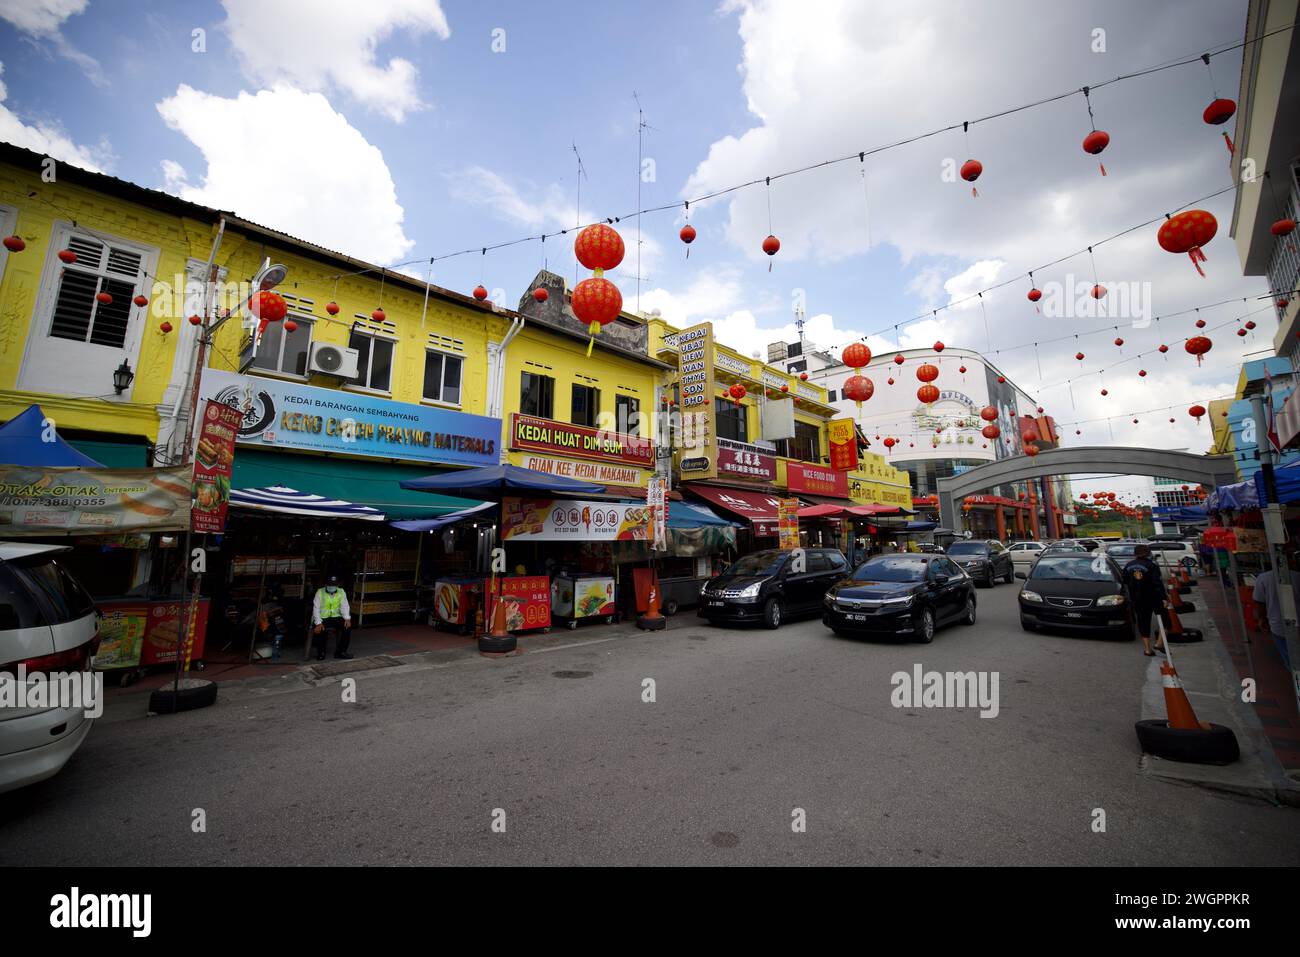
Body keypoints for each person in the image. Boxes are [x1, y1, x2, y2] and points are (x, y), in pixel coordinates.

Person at [1251, 551, 1299, 672]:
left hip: (1278, 626)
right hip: (1286, 624)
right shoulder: (1297, 576)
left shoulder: (1263, 578)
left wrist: (1262, 620)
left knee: (1291, 661)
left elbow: (1259, 603)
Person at [1121, 544, 1166, 657]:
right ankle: (1159, 643)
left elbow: (1124, 582)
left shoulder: (1128, 566)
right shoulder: (1151, 565)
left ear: (1135, 554)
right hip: (1153, 597)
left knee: (1143, 622)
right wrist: (1164, 597)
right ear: (1148, 553)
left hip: (1137, 599)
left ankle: (1147, 649)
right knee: (1165, 620)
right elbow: (1157, 584)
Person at [312, 574, 353, 661]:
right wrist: (318, 623)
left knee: (347, 627)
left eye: (334, 585)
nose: (332, 587)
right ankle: (321, 652)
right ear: (326, 585)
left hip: (336, 617)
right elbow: (316, 608)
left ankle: (341, 652)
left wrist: (347, 618)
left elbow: (344, 606)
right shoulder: (319, 592)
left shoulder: (341, 592)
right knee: (320, 630)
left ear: (337, 585)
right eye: (330, 585)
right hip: (322, 618)